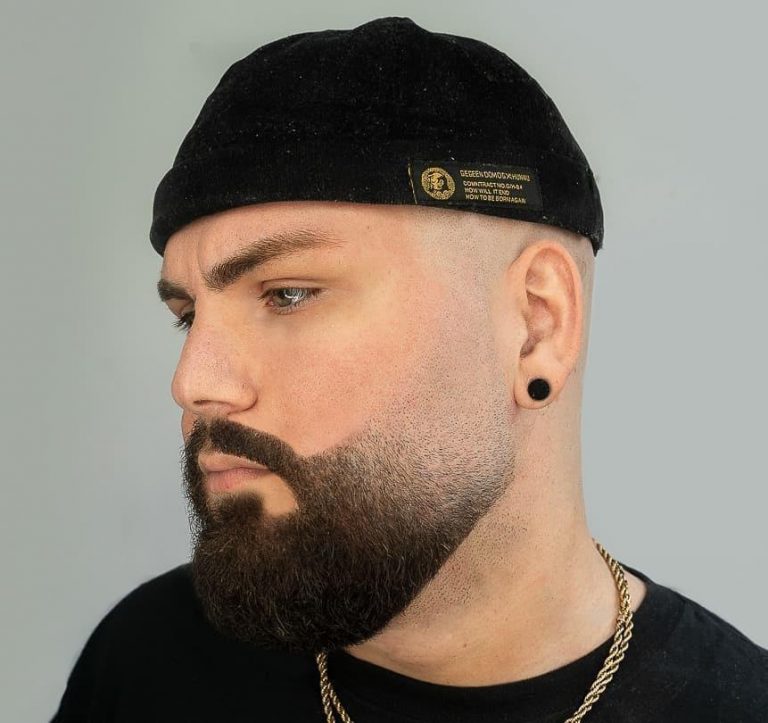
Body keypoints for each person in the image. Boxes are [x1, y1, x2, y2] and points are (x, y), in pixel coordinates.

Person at [51, 16, 768, 723]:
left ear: (536, 326)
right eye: (188, 315)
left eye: (289, 294)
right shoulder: (147, 662)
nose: (193, 383)